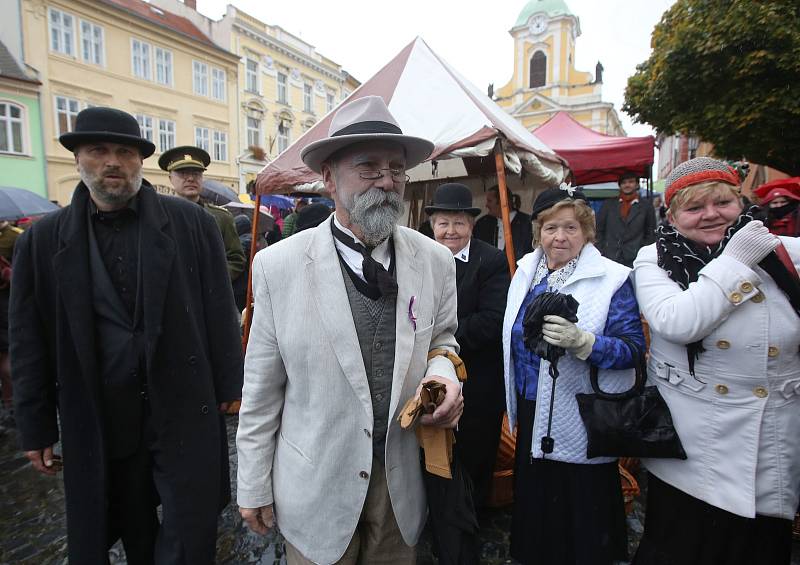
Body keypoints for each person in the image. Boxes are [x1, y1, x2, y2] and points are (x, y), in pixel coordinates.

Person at [236, 95, 464, 565]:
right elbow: (260, 389)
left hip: (400, 486)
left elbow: (444, 338)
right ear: (328, 179)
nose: (387, 181)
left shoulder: (436, 261)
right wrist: (253, 483)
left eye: (396, 169)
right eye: (368, 167)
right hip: (315, 485)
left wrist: (445, 371)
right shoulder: (276, 266)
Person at [9, 107, 243, 564]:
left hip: (180, 404)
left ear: (140, 161)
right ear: (78, 158)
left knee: (189, 529)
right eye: (98, 151)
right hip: (99, 411)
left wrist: (230, 384)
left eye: (125, 152)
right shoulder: (40, 242)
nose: (112, 162)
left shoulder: (192, 225)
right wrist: (34, 426)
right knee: (129, 522)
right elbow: (28, 341)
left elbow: (218, 307)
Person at [631, 157, 800, 565]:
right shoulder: (655, 259)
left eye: (721, 202)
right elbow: (679, 322)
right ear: (671, 215)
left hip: (771, 439)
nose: (710, 215)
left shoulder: (788, 253)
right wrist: (736, 260)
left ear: (739, 203)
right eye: (694, 207)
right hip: (696, 443)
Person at [503, 184, 646, 565]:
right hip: (531, 406)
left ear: (586, 233)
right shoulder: (524, 274)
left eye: (570, 228)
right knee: (537, 501)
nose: (560, 237)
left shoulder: (613, 279)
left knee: (581, 506)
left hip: (581, 412)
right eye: (550, 228)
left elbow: (633, 349)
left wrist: (584, 343)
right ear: (538, 233)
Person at [426, 182, 510, 510]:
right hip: (429, 378)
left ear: (471, 226)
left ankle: (475, 520)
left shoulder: (491, 261)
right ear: (432, 225)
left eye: (459, 222)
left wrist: (435, 340)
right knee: (433, 455)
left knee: (475, 455)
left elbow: (492, 320)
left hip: (478, 381)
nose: (450, 231)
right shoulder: (420, 259)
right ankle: (439, 520)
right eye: (443, 223)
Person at [158, 145, 246, 281]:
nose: (190, 179)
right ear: (170, 178)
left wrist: (211, 280)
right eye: (182, 173)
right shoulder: (159, 216)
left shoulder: (222, 217)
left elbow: (236, 259)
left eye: (196, 173)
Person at [596, 172, 657, 267]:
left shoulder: (646, 206)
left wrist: (642, 251)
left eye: (631, 182)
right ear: (620, 185)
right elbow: (599, 229)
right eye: (624, 182)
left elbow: (650, 233)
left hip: (635, 258)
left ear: (637, 184)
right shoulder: (608, 204)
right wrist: (601, 250)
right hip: (610, 257)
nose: (627, 185)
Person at [473, 185, 534, 261]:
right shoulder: (482, 224)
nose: (486, 205)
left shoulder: (527, 223)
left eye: (490, 201)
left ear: (503, 201)